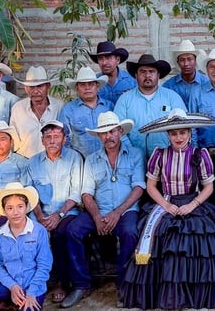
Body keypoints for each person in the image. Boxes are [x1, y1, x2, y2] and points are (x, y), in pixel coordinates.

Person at [120, 109, 215, 309]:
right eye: (174, 133)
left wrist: (192, 205)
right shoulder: (159, 155)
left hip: (192, 202)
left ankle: (190, 294)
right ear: (168, 135)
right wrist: (166, 205)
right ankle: (164, 295)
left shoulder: (200, 154)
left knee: (193, 240)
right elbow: (151, 186)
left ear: (189, 133)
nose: (178, 137)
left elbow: (208, 187)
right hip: (166, 201)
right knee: (159, 235)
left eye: (183, 132)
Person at [62, 112, 144, 308]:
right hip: (98, 210)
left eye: (112, 131)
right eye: (104, 133)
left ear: (120, 132)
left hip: (126, 210)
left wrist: (117, 213)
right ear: (99, 136)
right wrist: (97, 216)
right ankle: (81, 284)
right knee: (72, 231)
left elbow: (139, 187)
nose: (108, 136)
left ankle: (125, 285)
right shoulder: (92, 160)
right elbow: (86, 193)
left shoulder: (135, 154)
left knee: (130, 232)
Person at [26, 120, 84, 304]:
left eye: (57, 137)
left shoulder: (74, 158)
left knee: (60, 233)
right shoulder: (33, 162)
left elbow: (76, 193)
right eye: (48, 137)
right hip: (39, 213)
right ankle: (29, 282)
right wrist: (40, 217)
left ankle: (61, 282)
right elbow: (29, 193)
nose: (52, 141)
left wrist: (58, 215)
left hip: (67, 211)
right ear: (42, 140)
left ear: (64, 139)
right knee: (29, 232)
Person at [0, 183, 52, 311]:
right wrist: (12, 286)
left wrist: (32, 293)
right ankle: (8, 304)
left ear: (26, 207)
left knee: (28, 308)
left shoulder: (38, 231)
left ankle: (16, 304)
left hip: (33, 288)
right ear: (4, 211)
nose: (15, 212)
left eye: (20, 206)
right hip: (8, 286)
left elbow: (44, 265)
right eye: (10, 208)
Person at [113, 54, 187, 154]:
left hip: (167, 156)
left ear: (158, 75)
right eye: (143, 72)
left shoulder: (172, 97)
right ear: (136, 75)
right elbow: (118, 129)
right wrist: (133, 152)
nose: (147, 75)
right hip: (134, 157)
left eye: (151, 71)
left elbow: (185, 125)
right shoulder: (124, 100)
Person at [10, 66, 64, 158]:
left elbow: (66, 135)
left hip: (52, 160)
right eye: (31, 87)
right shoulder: (18, 108)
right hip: (24, 160)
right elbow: (12, 139)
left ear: (48, 87)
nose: (35, 91)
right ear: (26, 88)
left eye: (40, 86)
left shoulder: (59, 106)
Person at [61, 66, 112, 158]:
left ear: (97, 86)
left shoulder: (109, 107)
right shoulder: (68, 110)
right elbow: (63, 139)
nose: (87, 88)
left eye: (91, 84)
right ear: (77, 88)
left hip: (107, 159)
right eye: (82, 85)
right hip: (80, 161)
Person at [163, 39, 209, 104]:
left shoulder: (206, 83)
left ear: (195, 61)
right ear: (178, 62)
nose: (186, 64)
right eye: (182, 60)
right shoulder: (169, 85)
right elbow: (163, 106)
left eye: (189, 59)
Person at [92, 41, 136, 105]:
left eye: (108, 58)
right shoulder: (94, 81)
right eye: (100, 59)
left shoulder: (132, 81)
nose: (104, 63)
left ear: (117, 60)